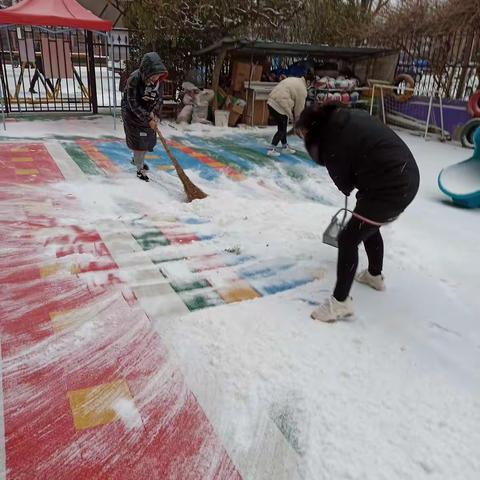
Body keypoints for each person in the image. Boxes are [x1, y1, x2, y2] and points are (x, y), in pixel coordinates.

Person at [296, 103, 420, 322]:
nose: (303, 138)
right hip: (405, 175)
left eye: (303, 134)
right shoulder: (347, 118)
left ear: (313, 128)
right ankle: (374, 276)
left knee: (348, 238)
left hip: (391, 186)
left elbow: (345, 184)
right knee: (367, 224)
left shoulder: (332, 142)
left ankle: (340, 303)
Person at [121, 52, 168, 182]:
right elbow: (133, 103)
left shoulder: (159, 81)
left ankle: (137, 160)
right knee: (138, 141)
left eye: (158, 75)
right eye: (153, 75)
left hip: (146, 113)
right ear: (146, 72)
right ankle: (139, 169)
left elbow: (158, 99)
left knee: (146, 140)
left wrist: (154, 113)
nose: (156, 78)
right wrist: (148, 117)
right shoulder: (134, 79)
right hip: (132, 114)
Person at [266, 74, 312, 156]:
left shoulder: (295, 79)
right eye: (312, 83)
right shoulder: (302, 90)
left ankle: (284, 146)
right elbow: (299, 110)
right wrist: (297, 123)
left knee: (283, 126)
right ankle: (271, 149)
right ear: (308, 82)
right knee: (282, 129)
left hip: (271, 101)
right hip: (280, 105)